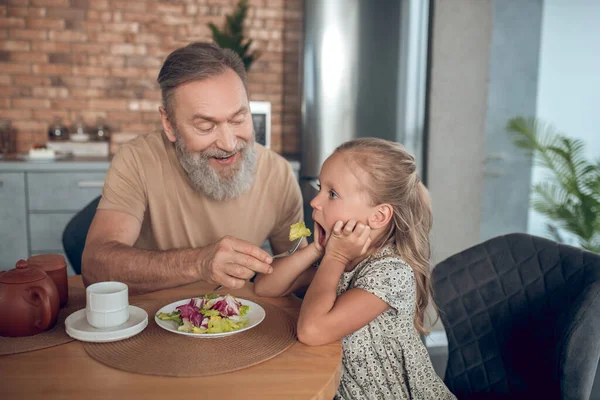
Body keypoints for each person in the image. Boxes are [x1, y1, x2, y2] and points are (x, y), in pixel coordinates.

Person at [82, 42, 305, 294]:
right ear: (169, 124)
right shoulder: (136, 160)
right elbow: (94, 267)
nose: (229, 143)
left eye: (238, 119)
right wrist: (198, 263)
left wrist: (339, 255)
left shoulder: (280, 175)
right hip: (153, 322)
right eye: (205, 127)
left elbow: (298, 270)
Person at [254, 138, 456, 399]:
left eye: (332, 194)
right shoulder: (336, 258)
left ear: (379, 216)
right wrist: (316, 249)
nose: (315, 201)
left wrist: (333, 257)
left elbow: (312, 331)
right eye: (319, 187)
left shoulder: (390, 272)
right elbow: (266, 287)